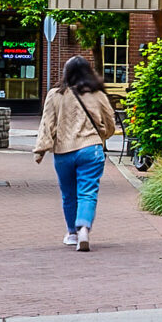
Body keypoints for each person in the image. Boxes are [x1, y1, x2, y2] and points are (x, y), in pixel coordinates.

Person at [33, 56, 118, 251]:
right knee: (88, 192)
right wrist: (101, 136)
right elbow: (110, 122)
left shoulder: (55, 95)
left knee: (68, 194)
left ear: (66, 73)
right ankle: (84, 230)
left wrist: (40, 150)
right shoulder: (97, 94)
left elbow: (47, 125)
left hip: (63, 152)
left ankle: (71, 233)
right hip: (91, 149)